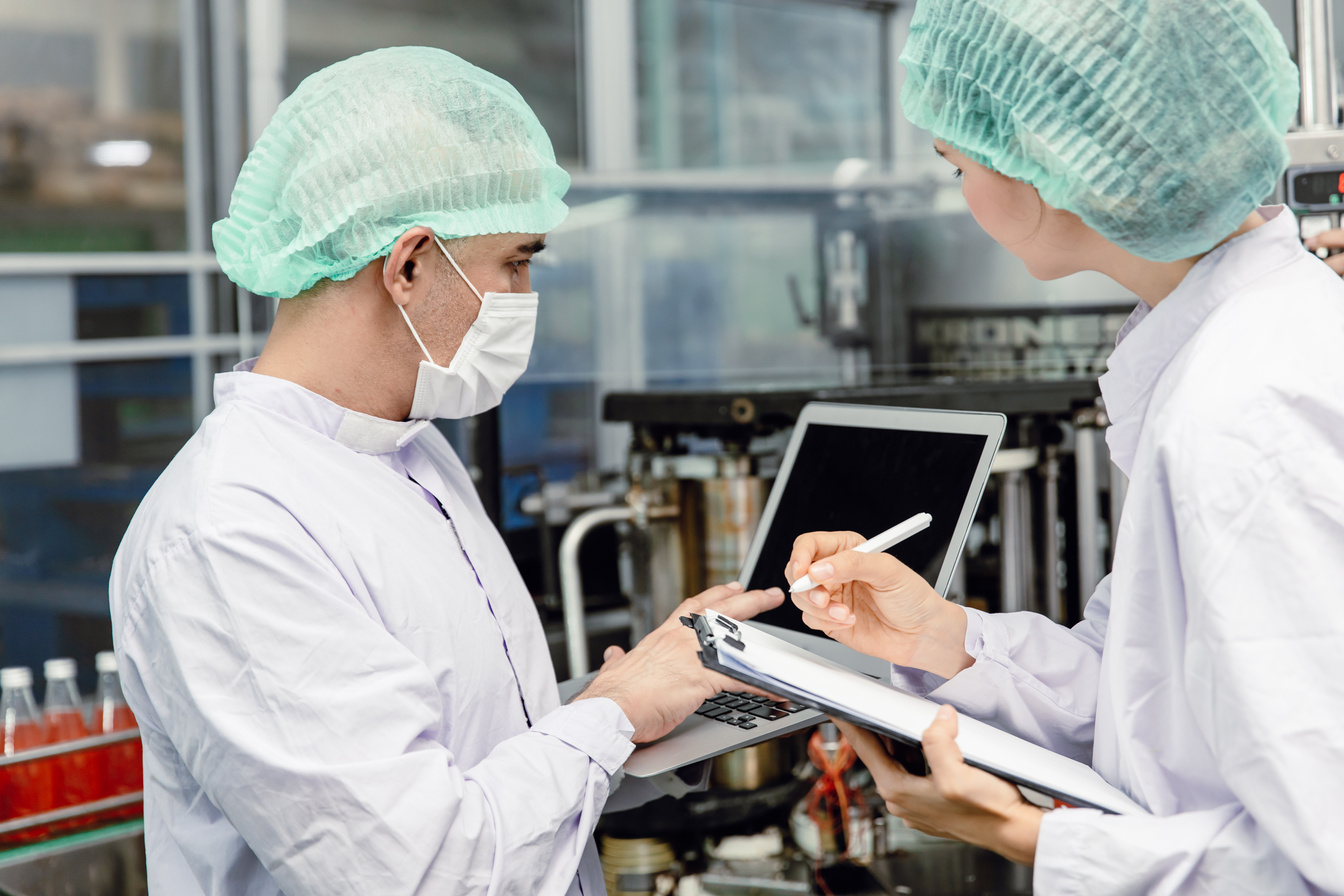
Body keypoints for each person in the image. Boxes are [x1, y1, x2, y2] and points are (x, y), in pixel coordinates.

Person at [109, 47, 783, 896]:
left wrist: (648, 702)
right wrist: (613, 714)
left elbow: (479, 760)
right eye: (516, 261)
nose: (524, 292)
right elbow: (422, 872)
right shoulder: (232, 530)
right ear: (410, 264)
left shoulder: (407, 448)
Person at [785, 0, 1344, 893]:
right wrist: (944, 639)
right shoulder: (1235, 352)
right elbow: (1148, 695)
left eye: (955, 157)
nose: (958, 187)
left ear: (1046, 161)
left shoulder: (1244, 410)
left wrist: (1028, 838)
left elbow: (1322, 857)